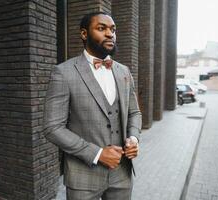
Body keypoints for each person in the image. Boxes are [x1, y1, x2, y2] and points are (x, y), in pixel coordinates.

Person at [43, 12, 142, 200]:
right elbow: (52, 128)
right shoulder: (63, 72)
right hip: (83, 176)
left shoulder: (124, 71)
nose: (110, 34)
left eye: (113, 29)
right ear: (84, 34)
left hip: (122, 173)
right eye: (101, 28)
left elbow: (134, 112)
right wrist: (97, 153)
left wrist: (133, 139)